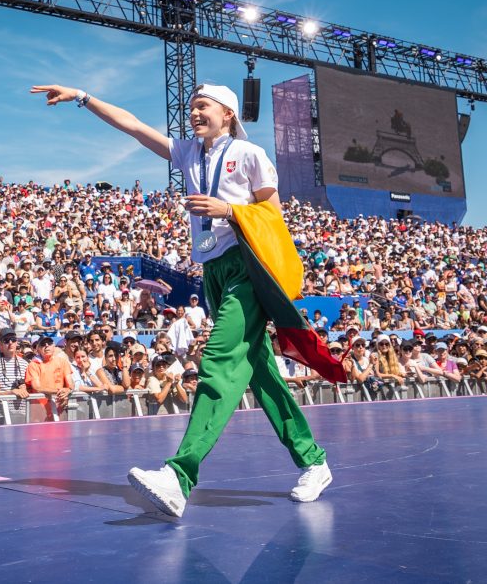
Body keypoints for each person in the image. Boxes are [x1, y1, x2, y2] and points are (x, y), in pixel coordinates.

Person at [31, 82, 329, 517]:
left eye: (202, 106)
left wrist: (229, 210)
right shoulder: (188, 152)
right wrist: (82, 97)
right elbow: (132, 126)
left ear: (227, 114)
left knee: (219, 361)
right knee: (261, 373)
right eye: (191, 107)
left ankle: (179, 474)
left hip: (247, 266)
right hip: (212, 270)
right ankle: (314, 461)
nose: (193, 112)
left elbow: (273, 214)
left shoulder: (249, 155)